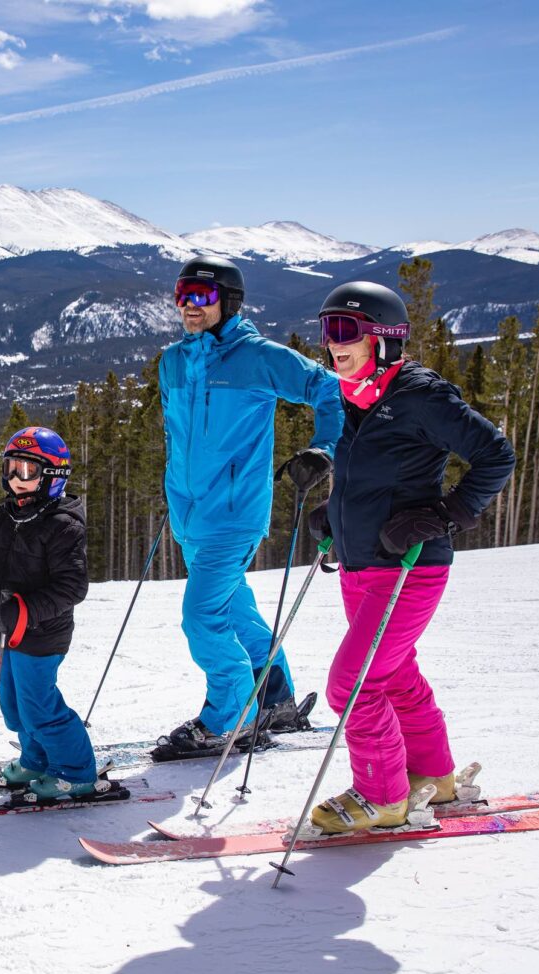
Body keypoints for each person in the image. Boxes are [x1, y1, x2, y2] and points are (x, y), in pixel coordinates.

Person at [307, 281, 515, 833]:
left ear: (384, 339)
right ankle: (435, 777)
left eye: (347, 330)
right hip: (361, 565)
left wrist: (447, 515)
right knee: (393, 675)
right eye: (329, 330)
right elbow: (374, 476)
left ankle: (384, 798)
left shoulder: (421, 397)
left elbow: (496, 456)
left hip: (408, 567)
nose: (334, 343)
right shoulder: (356, 395)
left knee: (352, 686)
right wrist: (335, 513)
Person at [159, 255, 344, 751]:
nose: (188, 305)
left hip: (235, 514)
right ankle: (275, 697)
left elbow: (330, 389)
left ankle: (230, 716)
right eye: (181, 294)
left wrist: (324, 448)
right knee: (234, 607)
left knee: (201, 616)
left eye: (200, 295)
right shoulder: (173, 362)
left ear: (228, 300)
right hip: (189, 514)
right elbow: (178, 436)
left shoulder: (258, 357)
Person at [0, 426, 97, 800]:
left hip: (41, 634)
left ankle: (77, 771)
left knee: (40, 708)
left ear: (52, 476)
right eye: (11, 468)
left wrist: (25, 610)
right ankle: (35, 760)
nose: (17, 479)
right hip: (3, 629)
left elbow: (72, 587)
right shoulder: (6, 515)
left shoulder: (63, 524)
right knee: (15, 708)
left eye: (28, 471)